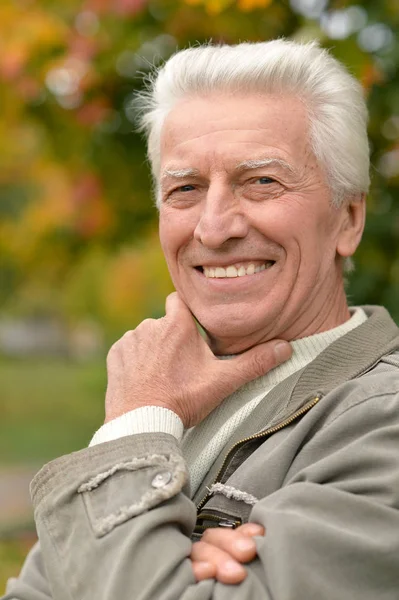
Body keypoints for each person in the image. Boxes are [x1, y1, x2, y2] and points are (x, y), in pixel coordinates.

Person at [3, 39, 399, 600]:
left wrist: (134, 434)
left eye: (262, 181)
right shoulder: (169, 404)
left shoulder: (383, 422)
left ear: (349, 219)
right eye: (185, 189)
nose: (214, 229)